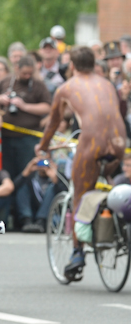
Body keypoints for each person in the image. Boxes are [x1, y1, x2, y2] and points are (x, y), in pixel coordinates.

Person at [36, 46, 127, 281]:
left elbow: (53, 122)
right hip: (119, 141)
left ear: (72, 66)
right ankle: (116, 225)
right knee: (108, 183)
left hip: (93, 143)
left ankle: (77, 254)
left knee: (80, 193)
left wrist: (43, 147)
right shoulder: (107, 84)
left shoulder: (66, 88)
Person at [0, 55, 51, 228]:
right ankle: (8, 218)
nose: (27, 76)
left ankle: (26, 216)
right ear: (17, 69)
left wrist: (24, 106)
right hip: (6, 139)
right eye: (24, 73)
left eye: (30, 73)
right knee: (9, 177)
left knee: (27, 176)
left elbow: (47, 107)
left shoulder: (38, 85)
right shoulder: (6, 82)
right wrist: (1, 99)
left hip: (28, 139)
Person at [12, 155, 65, 233]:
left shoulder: (58, 176)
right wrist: (26, 171)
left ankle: (41, 221)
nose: (43, 165)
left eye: (46, 162)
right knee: (22, 187)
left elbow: (65, 195)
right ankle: (27, 221)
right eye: (41, 162)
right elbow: (13, 189)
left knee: (51, 188)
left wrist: (55, 180)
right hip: (32, 214)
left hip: (50, 217)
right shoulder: (30, 176)